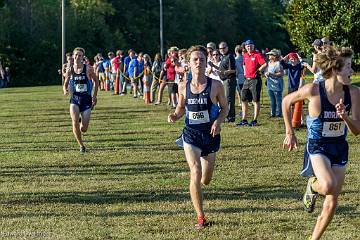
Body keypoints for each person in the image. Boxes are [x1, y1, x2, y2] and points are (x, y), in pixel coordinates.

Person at [282, 46, 360, 240]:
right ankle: (312, 185)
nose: (352, 71)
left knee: (332, 201)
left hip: (340, 147)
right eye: (348, 67)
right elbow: (286, 102)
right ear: (335, 69)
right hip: (318, 146)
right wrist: (289, 132)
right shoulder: (313, 90)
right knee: (327, 186)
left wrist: (345, 117)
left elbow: (357, 130)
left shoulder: (355, 93)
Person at [168, 45, 229, 229]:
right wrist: (174, 115)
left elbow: (225, 108)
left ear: (206, 61)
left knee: (206, 179)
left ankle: (201, 186)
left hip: (210, 135)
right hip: (191, 135)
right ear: (189, 63)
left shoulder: (215, 85)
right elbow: (180, 108)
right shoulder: (183, 86)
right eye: (195, 59)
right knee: (195, 171)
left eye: (202, 59)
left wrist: (218, 121)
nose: (199, 62)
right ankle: (201, 217)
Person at [63, 47, 98, 153]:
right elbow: (65, 83)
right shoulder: (69, 69)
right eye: (76, 55)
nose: (78, 57)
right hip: (74, 99)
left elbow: (96, 82)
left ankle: (81, 123)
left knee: (84, 128)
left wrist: (95, 96)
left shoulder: (88, 68)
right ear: (73, 56)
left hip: (86, 100)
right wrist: (65, 90)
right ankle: (81, 145)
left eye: (80, 55)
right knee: (74, 122)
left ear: (83, 57)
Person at [237, 39, 267, 127]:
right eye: (247, 46)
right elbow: (244, 65)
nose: (249, 47)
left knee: (255, 100)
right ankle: (244, 119)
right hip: (247, 79)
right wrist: (245, 73)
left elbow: (264, 64)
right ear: (245, 47)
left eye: (250, 45)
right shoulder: (245, 55)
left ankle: (254, 120)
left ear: (253, 46)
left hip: (255, 80)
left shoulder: (257, 55)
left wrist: (259, 70)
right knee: (243, 98)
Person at [218, 41, 237, 122]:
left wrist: (224, 72)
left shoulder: (229, 56)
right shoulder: (223, 56)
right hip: (225, 80)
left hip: (229, 80)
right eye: (220, 48)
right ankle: (228, 116)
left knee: (229, 99)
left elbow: (233, 70)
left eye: (223, 48)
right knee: (226, 98)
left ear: (227, 48)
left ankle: (230, 117)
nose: (222, 49)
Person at [264, 49, 284, 117]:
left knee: (278, 100)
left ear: (274, 56)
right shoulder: (269, 63)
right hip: (270, 84)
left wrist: (272, 74)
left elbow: (281, 73)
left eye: (270, 54)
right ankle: (273, 114)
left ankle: (279, 114)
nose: (269, 56)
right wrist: (266, 74)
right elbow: (267, 71)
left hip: (277, 84)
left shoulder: (278, 63)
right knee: (272, 100)